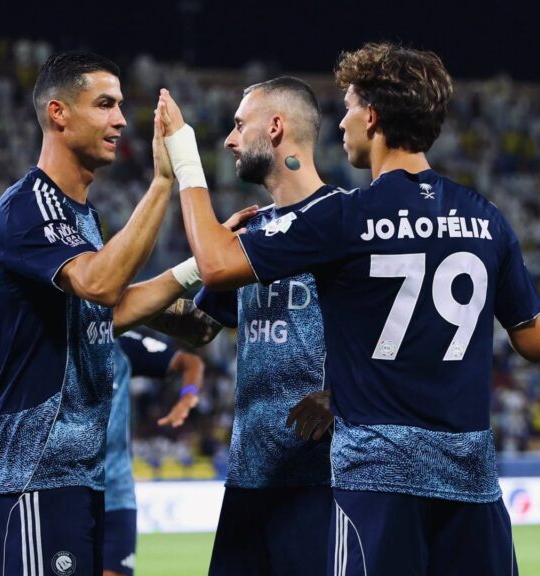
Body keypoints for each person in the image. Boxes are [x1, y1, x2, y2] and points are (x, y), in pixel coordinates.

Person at [160, 42, 540, 576]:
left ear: (371, 117)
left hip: (376, 483)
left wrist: (183, 156)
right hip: (471, 484)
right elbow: (536, 342)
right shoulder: (487, 218)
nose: (341, 123)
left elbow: (215, 266)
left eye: (347, 108)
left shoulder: (347, 217)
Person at [0, 51, 203, 576]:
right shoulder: (30, 204)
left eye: (120, 105)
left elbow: (105, 312)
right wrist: (163, 182)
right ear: (58, 113)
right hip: (32, 473)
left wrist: (201, 269)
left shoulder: (82, 217)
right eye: (104, 104)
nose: (120, 120)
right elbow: (101, 285)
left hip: (77, 474)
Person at [193, 76, 337, 576]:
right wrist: (100, 311)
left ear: (275, 128)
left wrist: (341, 392)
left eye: (239, 125)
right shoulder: (252, 231)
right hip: (247, 483)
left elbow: (396, 335)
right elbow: (199, 327)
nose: (230, 140)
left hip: (323, 484)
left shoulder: (343, 220)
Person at [103, 331, 205, 576]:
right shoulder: (54, 341)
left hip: (117, 493)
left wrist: (188, 395)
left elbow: (191, 362)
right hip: (68, 491)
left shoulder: (122, 344)